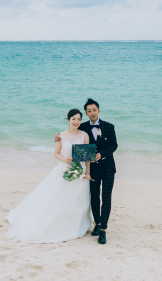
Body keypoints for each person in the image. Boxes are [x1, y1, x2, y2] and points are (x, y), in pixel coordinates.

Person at [5, 109, 92, 243]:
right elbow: (56, 153)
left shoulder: (84, 135)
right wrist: (64, 160)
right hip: (65, 169)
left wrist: (87, 172)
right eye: (73, 119)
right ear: (68, 120)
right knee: (57, 198)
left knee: (78, 201)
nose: (76, 121)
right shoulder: (61, 136)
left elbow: (87, 157)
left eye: (79, 119)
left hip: (80, 173)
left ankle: (75, 225)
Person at [54, 98, 117, 245]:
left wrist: (101, 154)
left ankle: (103, 230)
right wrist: (56, 137)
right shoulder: (82, 127)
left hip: (108, 167)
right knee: (94, 197)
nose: (92, 112)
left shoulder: (109, 126)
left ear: (98, 111)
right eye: (89, 111)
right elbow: (69, 134)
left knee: (106, 198)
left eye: (94, 110)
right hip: (91, 169)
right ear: (86, 113)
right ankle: (97, 223)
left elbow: (114, 145)